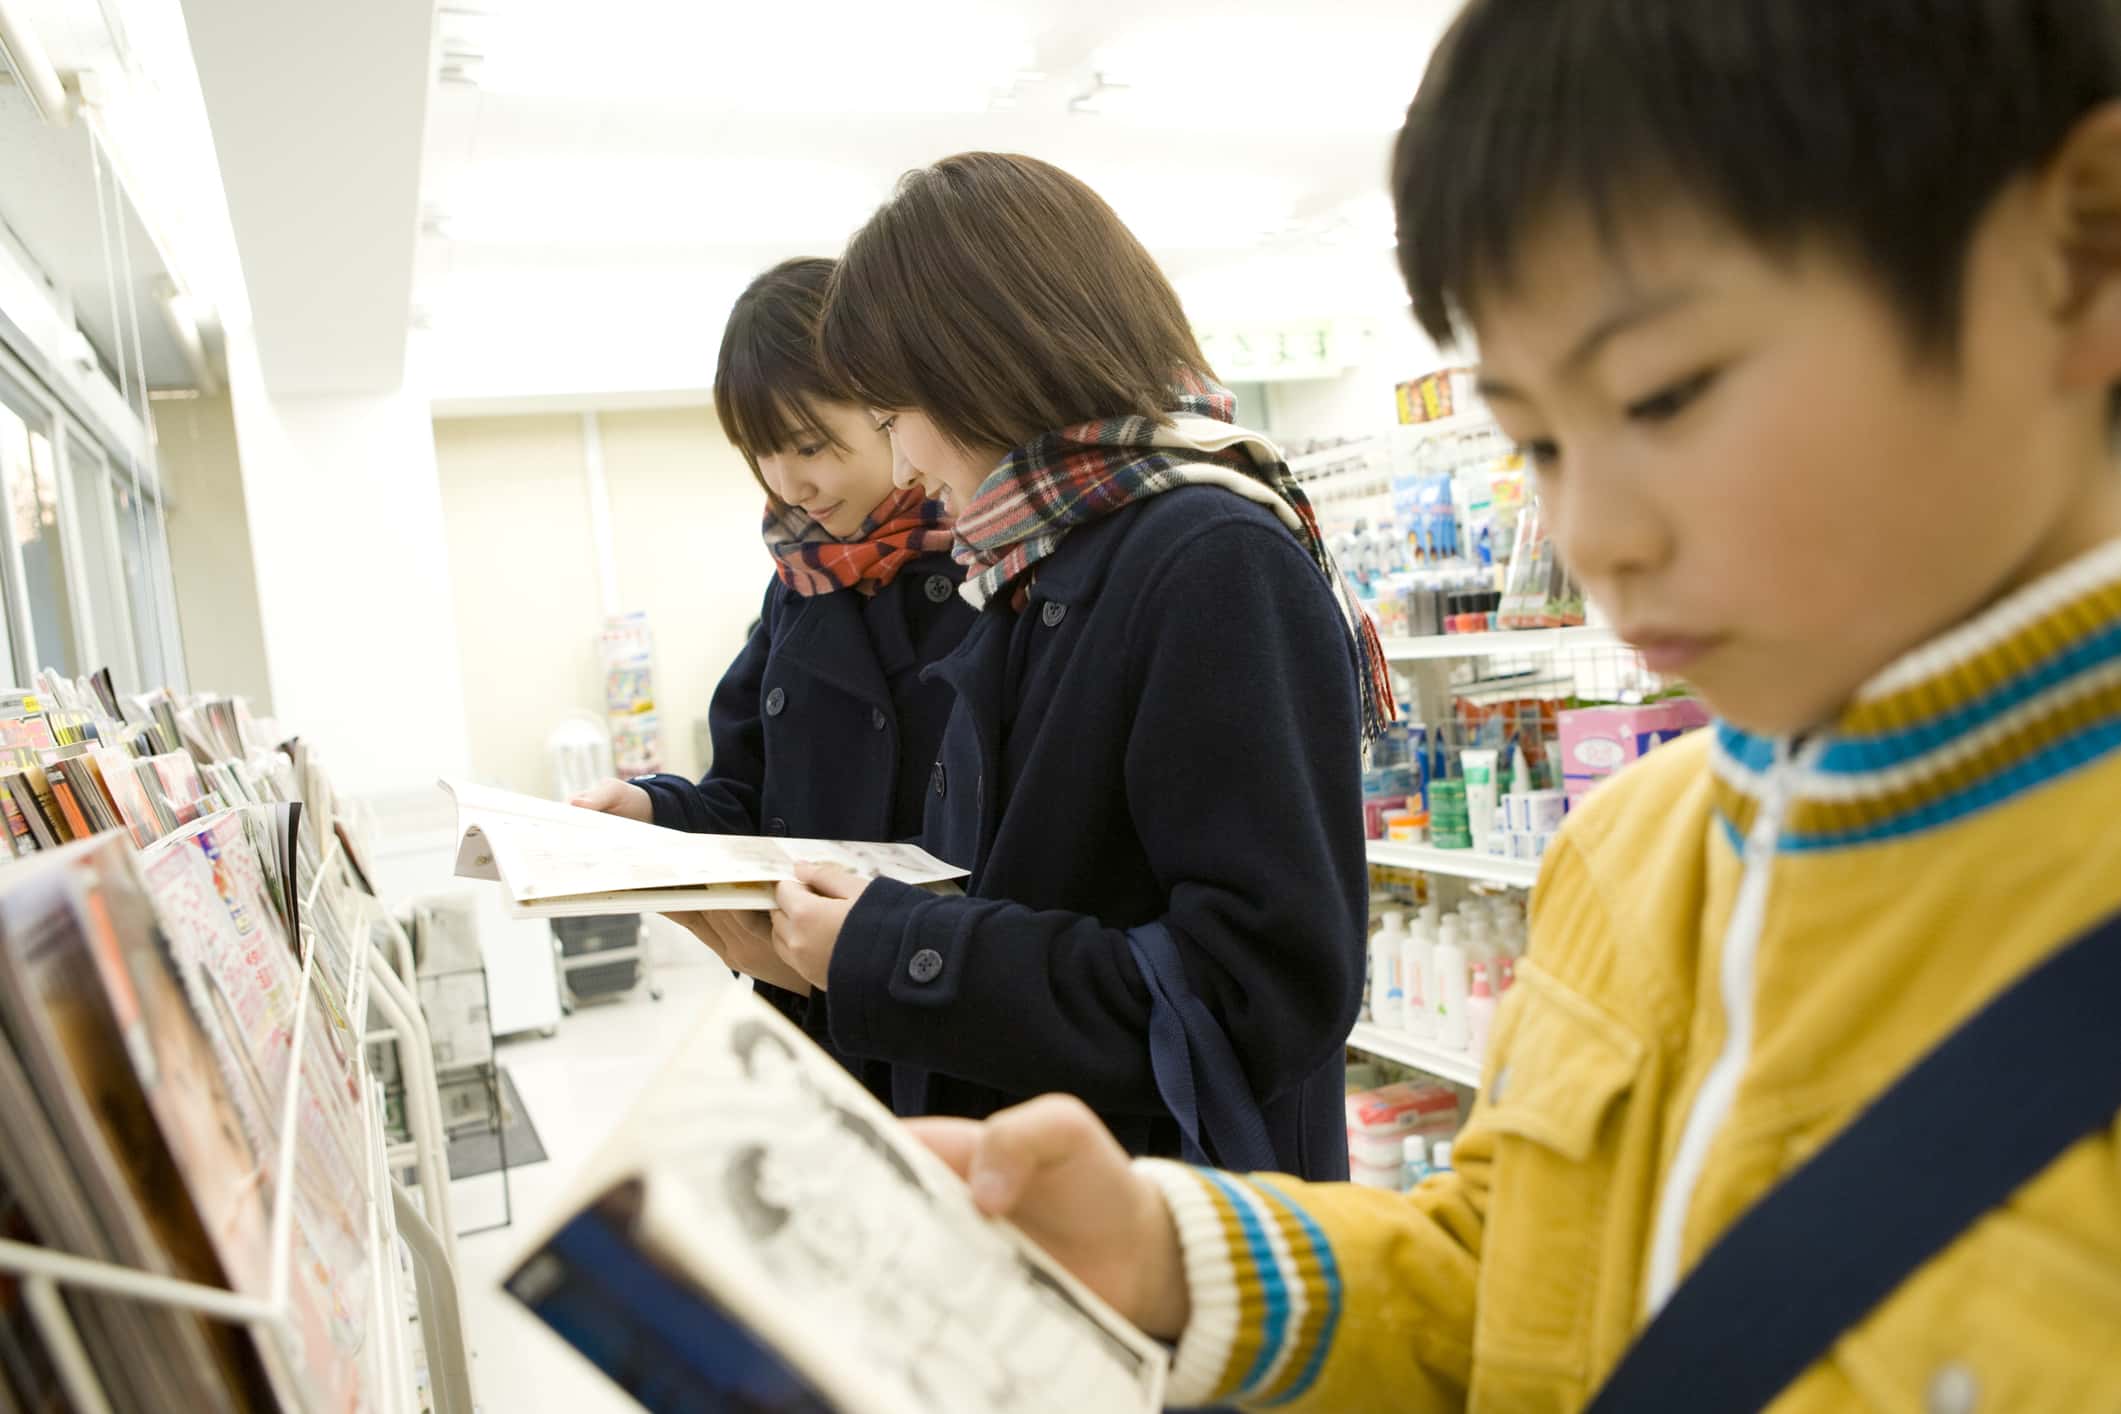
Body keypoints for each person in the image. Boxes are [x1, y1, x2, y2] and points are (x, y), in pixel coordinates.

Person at [902, 3, 2121, 1409]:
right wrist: (1167, 1254)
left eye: (1663, 394)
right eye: (1536, 434)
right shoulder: (1643, 845)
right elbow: (1527, 1271)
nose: (1591, 532)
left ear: (2076, 257)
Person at [764, 152, 1382, 1178]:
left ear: (977, 366)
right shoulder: (1029, 569)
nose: (905, 463)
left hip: (1175, 1234)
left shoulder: (1209, 561)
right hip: (1052, 1209)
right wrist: (838, 953)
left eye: (892, 414)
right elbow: (1027, 904)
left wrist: (891, 953)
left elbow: (1255, 993)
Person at [572, 257, 974, 1090]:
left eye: (810, 445)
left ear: (888, 408)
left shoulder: (988, 570)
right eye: (761, 453)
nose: (790, 483)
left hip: (949, 1018)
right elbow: (750, 796)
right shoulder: (798, 584)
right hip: (815, 1026)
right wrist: (648, 810)